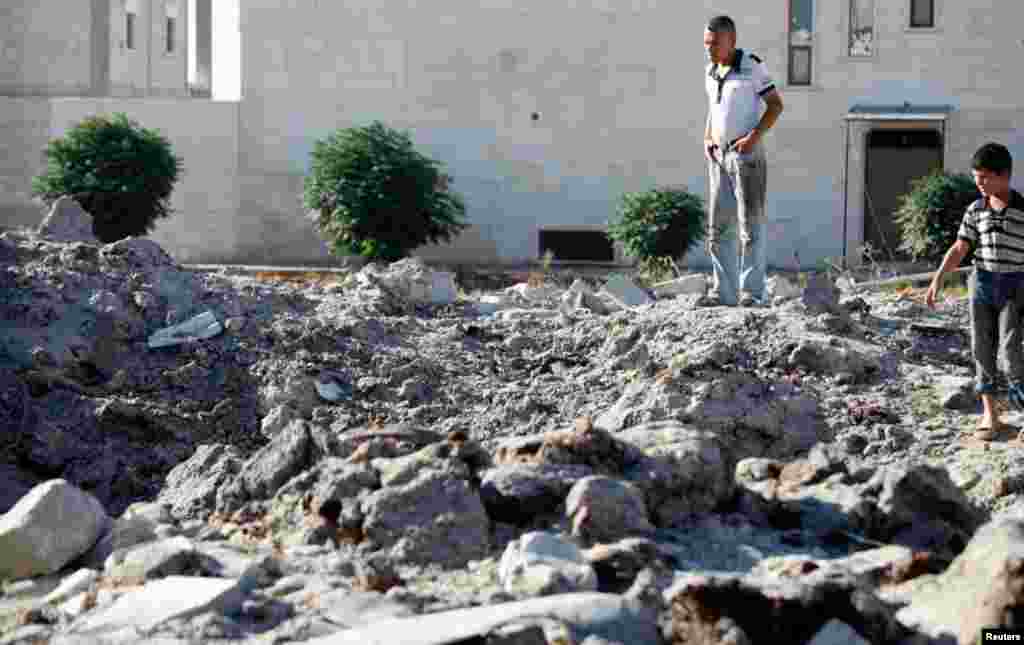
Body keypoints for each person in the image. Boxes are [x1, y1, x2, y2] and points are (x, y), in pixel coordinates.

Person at [926, 142, 1024, 439]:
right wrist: (938, 279)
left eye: (984, 177)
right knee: (981, 349)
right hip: (981, 284)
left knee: (1010, 352)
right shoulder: (975, 209)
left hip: (1015, 286)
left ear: (1004, 175)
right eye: (975, 177)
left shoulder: (1022, 210)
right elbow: (960, 248)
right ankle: (990, 416)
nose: (978, 183)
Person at [699, 15, 784, 307]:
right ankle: (723, 293)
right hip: (718, 157)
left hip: (747, 157)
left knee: (751, 227)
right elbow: (714, 109)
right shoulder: (711, 70)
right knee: (718, 228)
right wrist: (707, 137)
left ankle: (752, 293)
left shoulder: (752, 66)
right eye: (706, 43)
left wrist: (753, 138)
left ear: (731, 41)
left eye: (715, 43)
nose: (709, 48)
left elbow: (775, 105)